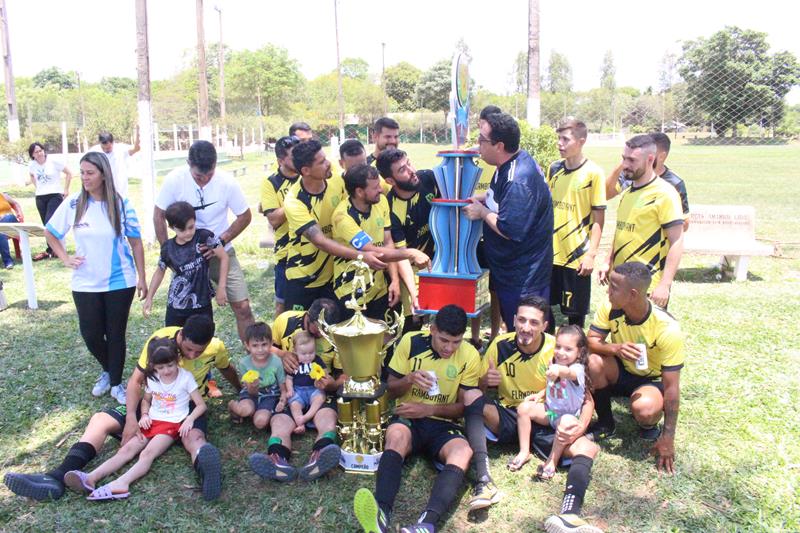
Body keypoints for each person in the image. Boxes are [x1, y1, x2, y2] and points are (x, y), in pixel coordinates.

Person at [2, 315, 239, 502]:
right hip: (154, 404)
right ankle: (56, 477)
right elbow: (137, 382)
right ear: (181, 336)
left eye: (199, 351)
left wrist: (242, 390)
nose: (192, 355)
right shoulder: (161, 341)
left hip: (185, 407)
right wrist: (132, 420)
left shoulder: (216, 347)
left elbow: (226, 368)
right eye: (188, 349)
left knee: (195, 437)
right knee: (100, 420)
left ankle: (208, 473)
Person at [474, 297, 601, 533]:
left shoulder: (558, 349)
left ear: (544, 326)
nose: (525, 327)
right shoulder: (499, 345)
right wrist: (484, 382)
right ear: (513, 320)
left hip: (549, 418)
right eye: (521, 320)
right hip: (512, 416)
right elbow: (477, 390)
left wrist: (579, 428)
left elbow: (587, 399)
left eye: (534, 322)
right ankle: (486, 472)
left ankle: (570, 513)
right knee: (473, 402)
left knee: (587, 449)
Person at [353, 304, 481, 533]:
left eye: (456, 342)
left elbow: (462, 407)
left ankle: (427, 524)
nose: (449, 348)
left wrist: (429, 410)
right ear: (432, 329)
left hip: (442, 422)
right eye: (444, 340)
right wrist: (409, 379)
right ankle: (380, 514)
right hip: (409, 418)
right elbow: (390, 389)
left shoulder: (470, 354)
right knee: (395, 437)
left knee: (463, 452)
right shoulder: (411, 341)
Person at [44, 151, 147, 403]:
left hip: (120, 281)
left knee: (115, 333)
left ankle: (115, 384)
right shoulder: (74, 203)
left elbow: (136, 244)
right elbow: (50, 232)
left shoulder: (121, 204)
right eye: (82, 173)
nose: (85, 178)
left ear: (103, 175)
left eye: (90, 173)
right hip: (85, 283)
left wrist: (142, 277)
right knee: (90, 334)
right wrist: (65, 258)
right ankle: (109, 370)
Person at [63, 337, 206, 501]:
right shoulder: (153, 377)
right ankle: (91, 478)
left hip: (172, 424)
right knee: (125, 451)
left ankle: (121, 483)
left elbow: (201, 405)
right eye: (161, 367)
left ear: (177, 360)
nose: (166, 371)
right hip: (151, 421)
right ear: (153, 366)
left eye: (170, 365)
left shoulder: (185, 378)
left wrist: (189, 419)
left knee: (147, 453)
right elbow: (146, 400)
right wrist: (144, 414)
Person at [154, 140, 255, 343]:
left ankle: (254, 360)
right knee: (187, 312)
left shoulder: (227, 182)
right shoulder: (175, 180)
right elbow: (158, 215)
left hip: (219, 252)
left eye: (209, 175)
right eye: (199, 176)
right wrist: (170, 251)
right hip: (186, 257)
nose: (205, 180)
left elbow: (245, 216)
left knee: (243, 307)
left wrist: (219, 241)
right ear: (188, 163)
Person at [587, 262, 684, 475]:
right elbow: (591, 341)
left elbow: (672, 388)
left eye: (613, 287)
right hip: (621, 370)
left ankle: (648, 426)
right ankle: (605, 423)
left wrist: (668, 437)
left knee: (645, 410)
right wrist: (616, 348)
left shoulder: (667, 328)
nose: (607, 290)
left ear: (632, 294)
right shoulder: (609, 306)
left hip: (650, 379)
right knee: (592, 361)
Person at [462, 112, 553, 331]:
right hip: (512, 272)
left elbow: (510, 228)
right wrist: (482, 199)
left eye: (482, 140)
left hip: (523, 278)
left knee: (526, 334)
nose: (478, 145)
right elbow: (501, 200)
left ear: (499, 145)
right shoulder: (509, 163)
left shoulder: (517, 180)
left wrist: (482, 213)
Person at [282, 140, 386, 312]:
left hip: (333, 277)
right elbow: (321, 241)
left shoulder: (337, 181)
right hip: (304, 278)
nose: (328, 163)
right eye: (321, 162)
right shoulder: (294, 201)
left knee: (330, 331)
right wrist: (362, 256)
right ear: (306, 171)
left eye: (326, 158)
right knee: (301, 333)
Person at [332, 164, 430, 321]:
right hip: (351, 291)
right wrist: (411, 253)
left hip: (379, 287)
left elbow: (388, 242)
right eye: (375, 187)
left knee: (385, 337)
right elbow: (373, 252)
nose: (381, 189)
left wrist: (395, 281)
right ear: (359, 191)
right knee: (359, 342)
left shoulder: (381, 201)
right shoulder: (343, 217)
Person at [597, 134, 684, 309]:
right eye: (623, 158)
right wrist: (609, 262)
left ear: (650, 159)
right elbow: (622, 231)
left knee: (642, 337)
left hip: (647, 286)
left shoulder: (665, 193)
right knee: (619, 335)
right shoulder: (628, 192)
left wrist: (664, 285)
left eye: (631, 160)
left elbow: (677, 240)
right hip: (620, 283)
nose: (625, 165)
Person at [546, 119, 606, 330]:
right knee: (544, 308)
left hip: (576, 256)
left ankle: (576, 358)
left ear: (581, 141)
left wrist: (591, 254)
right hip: (551, 253)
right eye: (558, 139)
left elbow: (599, 217)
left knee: (574, 316)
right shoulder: (554, 169)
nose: (559, 144)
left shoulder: (593, 173)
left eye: (565, 139)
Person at [515, 325, 591, 480]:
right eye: (558, 347)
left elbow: (568, 374)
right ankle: (524, 451)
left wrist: (558, 370)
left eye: (568, 349)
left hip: (569, 419)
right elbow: (554, 386)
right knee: (524, 408)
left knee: (565, 421)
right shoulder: (553, 362)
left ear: (580, 352)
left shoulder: (577, 369)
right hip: (550, 413)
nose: (561, 352)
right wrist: (541, 394)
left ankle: (551, 461)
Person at [377, 148, 438, 332]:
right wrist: (414, 294)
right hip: (411, 268)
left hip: (440, 260)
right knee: (414, 320)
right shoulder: (391, 208)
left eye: (409, 163)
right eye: (402, 169)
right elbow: (401, 256)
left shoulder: (428, 178)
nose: (411, 170)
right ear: (390, 181)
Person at [143, 201, 228, 326]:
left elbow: (224, 257)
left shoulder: (204, 237)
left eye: (191, 227)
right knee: (173, 340)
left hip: (202, 304)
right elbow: (159, 272)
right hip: (176, 307)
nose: (188, 232)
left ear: (194, 221)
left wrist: (221, 287)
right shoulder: (168, 248)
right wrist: (149, 297)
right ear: (172, 227)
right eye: (182, 230)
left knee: (203, 340)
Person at [469, 105, 505, 349]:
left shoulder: (502, 161)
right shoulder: (471, 155)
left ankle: (494, 334)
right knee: (474, 284)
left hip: (495, 230)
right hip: (474, 234)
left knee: (496, 289)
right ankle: (473, 335)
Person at [605, 132, 690, 232]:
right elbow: (606, 194)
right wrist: (624, 163)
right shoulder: (631, 175)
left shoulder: (675, 183)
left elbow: (685, 223)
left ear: (662, 156)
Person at [261, 135, 302, 317]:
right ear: (280, 160)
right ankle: (279, 343)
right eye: (294, 156)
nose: (300, 159)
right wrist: (297, 199)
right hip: (286, 256)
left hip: (315, 252)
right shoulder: (271, 183)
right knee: (283, 308)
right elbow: (274, 219)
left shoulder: (308, 175)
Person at [228, 322, 288, 430]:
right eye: (255, 345)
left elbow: (283, 389)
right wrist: (253, 387)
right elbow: (250, 391)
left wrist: (282, 401)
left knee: (260, 423)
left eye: (264, 344)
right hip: (250, 394)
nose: (260, 350)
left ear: (271, 343)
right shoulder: (244, 363)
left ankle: (254, 413)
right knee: (245, 410)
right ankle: (235, 407)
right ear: (247, 346)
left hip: (270, 395)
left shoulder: (276, 361)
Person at [27, 142, 73, 261]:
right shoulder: (32, 165)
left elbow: (69, 173)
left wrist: (66, 189)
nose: (40, 153)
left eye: (41, 150)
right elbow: (31, 176)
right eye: (36, 152)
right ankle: (52, 250)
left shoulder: (53, 161)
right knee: (45, 225)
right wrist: (37, 186)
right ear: (32, 155)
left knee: (50, 222)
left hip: (54, 195)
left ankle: (58, 248)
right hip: (40, 197)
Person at [271, 297, 340, 374]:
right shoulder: (285, 320)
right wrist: (282, 354)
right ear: (307, 316)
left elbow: (343, 375)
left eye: (326, 332)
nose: (321, 335)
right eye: (317, 331)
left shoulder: (338, 337)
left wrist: (332, 384)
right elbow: (265, 348)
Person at [285, 330, 327, 434]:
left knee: (320, 398)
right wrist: (290, 390)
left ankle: (306, 417)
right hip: (298, 391)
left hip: (314, 389)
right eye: (303, 353)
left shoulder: (317, 360)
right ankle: (300, 424)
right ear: (295, 351)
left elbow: (325, 372)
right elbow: (289, 378)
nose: (308, 356)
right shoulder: (294, 362)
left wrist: (322, 377)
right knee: (294, 404)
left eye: (311, 352)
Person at [90, 131, 140, 200]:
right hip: (102, 191)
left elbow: (136, 149)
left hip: (120, 191)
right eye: (103, 148)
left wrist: (137, 132)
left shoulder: (121, 149)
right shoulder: (94, 151)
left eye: (108, 148)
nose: (105, 150)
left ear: (113, 143)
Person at [0, 192, 23, 269]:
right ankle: (8, 261)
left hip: (10, 220)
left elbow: (15, 204)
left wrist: (19, 213)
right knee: (1, 231)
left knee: (7, 217)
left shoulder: (2, 195)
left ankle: (8, 261)